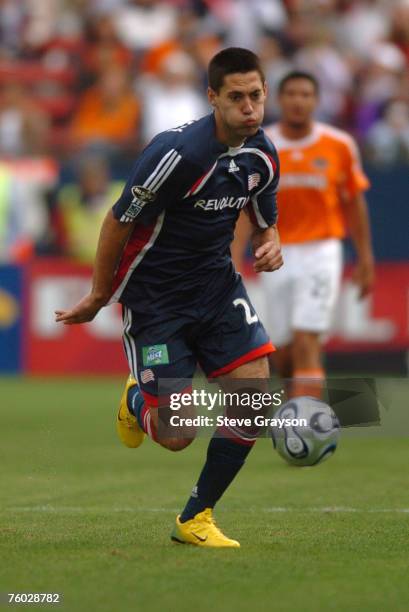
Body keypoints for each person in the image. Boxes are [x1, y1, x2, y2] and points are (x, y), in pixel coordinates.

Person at [55, 47, 282, 548]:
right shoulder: (176, 154)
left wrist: (270, 245)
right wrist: (99, 293)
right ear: (213, 98)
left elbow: (266, 223)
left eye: (257, 96)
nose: (249, 108)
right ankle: (138, 399)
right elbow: (119, 220)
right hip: (157, 301)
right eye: (237, 97)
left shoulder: (262, 154)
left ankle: (195, 518)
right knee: (179, 435)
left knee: (254, 400)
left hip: (218, 290)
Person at [232, 70, 374, 399]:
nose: (298, 101)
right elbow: (244, 208)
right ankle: (300, 408)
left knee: (307, 338)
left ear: (316, 100)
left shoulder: (339, 145)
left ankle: (307, 425)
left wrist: (365, 258)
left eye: (305, 95)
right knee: (282, 351)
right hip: (273, 253)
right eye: (291, 94)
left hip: (321, 250)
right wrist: (234, 257)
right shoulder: (258, 146)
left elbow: (354, 203)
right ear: (278, 100)